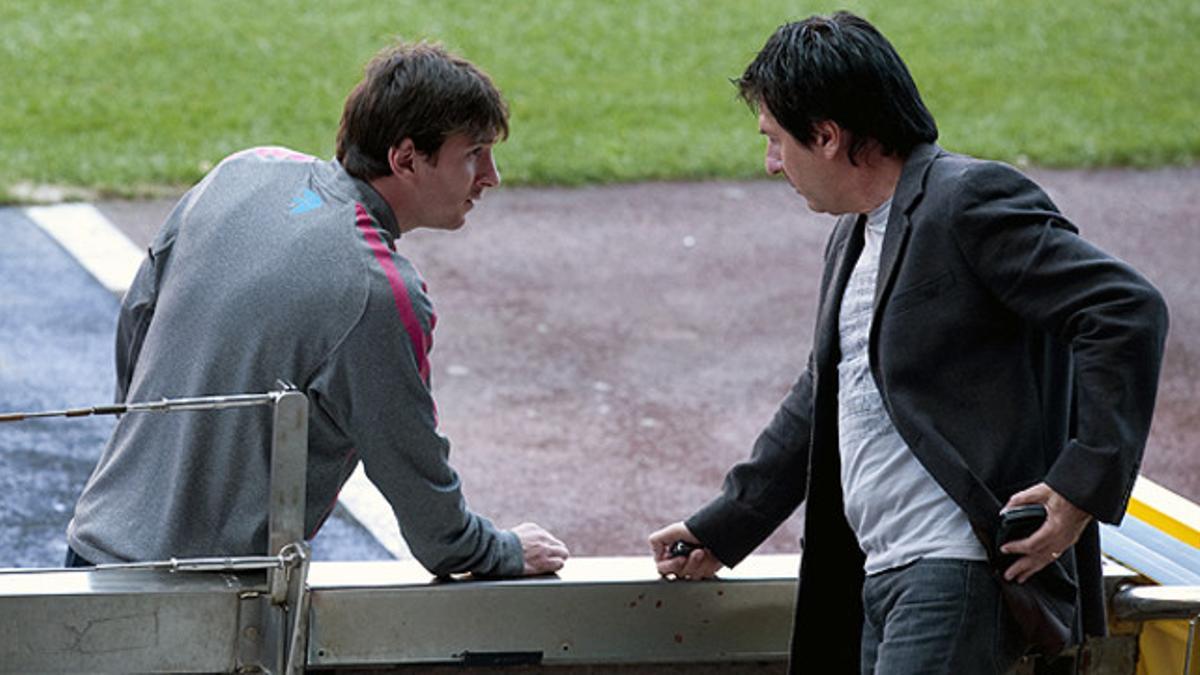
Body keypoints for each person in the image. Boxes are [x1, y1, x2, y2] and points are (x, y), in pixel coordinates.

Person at [649, 12, 1167, 674]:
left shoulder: (967, 200)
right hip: (881, 571)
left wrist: (1079, 489)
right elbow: (828, 392)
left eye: (777, 141)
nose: (772, 163)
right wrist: (726, 525)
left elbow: (1123, 307)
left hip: (957, 568)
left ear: (829, 136)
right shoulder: (855, 233)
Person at [66, 42, 568, 578]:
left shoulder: (241, 172)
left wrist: (155, 460)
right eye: (473, 153)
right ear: (405, 159)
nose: (491, 175)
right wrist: (497, 550)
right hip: (204, 602)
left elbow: (138, 317)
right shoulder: (378, 291)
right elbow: (421, 495)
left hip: (88, 553)